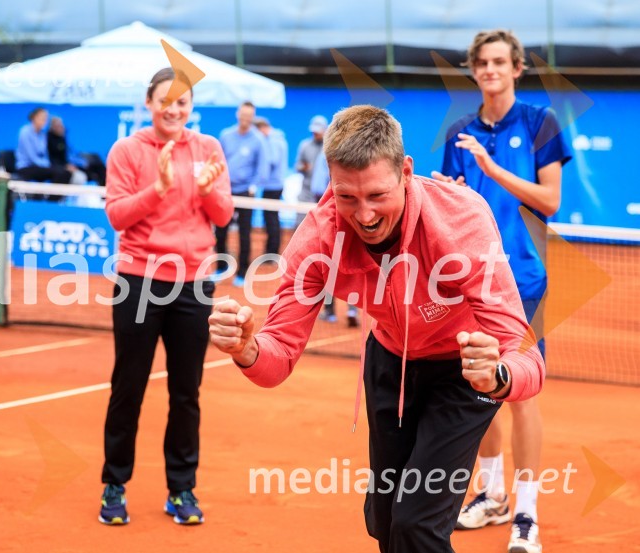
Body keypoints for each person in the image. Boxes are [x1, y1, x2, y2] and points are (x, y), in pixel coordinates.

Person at [209, 105, 545, 552]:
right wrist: (248, 347)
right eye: (346, 196)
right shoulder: (318, 239)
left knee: (416, 523)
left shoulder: (459, 220)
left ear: (406, 171)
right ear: (330, 181)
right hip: (391, 360)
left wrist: (497, 374)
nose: (364, 216)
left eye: (377, 195)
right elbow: (276, 360)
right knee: (384, 521)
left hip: (466, 370)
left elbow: (526, 356)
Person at [433, 29, 572, 553]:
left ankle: (527, 514)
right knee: (477, 388)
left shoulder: (541, 124)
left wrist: (492, 171)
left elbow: (551, 201)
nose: (490, 70)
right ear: (473, 70)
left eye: (500, 62)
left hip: (524, 280)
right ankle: (491, 493)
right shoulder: (460, 131)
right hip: (472, 280)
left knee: (521, 393)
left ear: (516, 69)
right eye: (482, 63)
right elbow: (453, 201)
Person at [99, 67, 232, 526]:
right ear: (148, 102)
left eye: (183, 102)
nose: (174, 109)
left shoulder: (209, 149)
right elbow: (117, 215)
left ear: (190, 107)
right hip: (138, 281)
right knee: (128, 388)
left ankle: (182, 489)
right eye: (165, 101)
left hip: (194, 283)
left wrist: (208, 190)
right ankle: (114, 484)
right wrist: (157, 189)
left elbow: (223, 214)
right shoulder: (127, 150)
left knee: (186, 393)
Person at [216, 101, 268, 286]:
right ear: (238, 114)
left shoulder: (258, 139)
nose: (245, 119)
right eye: (243, 115)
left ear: (252, 117)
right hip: (225, 191)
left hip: (246, 193)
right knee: (220, 230)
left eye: (249, 116)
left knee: (244, 234)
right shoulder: (226, 135)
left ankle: (242, 272)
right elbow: (218, 160)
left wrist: (253, 186)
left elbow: (262, 167)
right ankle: (220, 268)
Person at [309, 149, 359, 327]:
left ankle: (330, 312)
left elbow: (318, 188)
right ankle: (352, 310)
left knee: (331, 269)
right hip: (353, 226)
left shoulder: (330, 158)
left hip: (334, 223)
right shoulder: (359, 158)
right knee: (351, 267)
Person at [253, 116, 287, 257]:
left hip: (273, 185)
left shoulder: (272, 141)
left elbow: (270, 161)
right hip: (273, 184)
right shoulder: (277, 139)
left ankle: (272, 252)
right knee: (271, 218)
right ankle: (270, 251)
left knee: (271, 218)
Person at [15, 107, 71, 184]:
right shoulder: (25, 132)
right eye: (42, 117)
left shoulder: (42, 134)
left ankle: (52, 195)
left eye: (46, 118)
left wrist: (51, 165)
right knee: (59, 172)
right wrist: (49, 165)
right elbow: (32, 158)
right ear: (34, 117)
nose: (45, 120)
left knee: (65, 173)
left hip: (40, 166)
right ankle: (48, 195)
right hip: (26, 167)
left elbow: (45, 154)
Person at [294, 114, 327, 226]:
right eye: (314, 131)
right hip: (306, 193)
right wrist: (304, 167)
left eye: (318, 131)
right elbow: (297, 166)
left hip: (323, 195)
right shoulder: (304, 145)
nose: (315, 134)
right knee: (300, 224)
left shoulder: (330, 148)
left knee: (322, 226)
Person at [47, 115, 87, 185]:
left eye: (61, 126)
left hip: (65, 166)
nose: (61, 128)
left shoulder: (63, 139)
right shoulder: (48, 139)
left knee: (83, 173)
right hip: (56, 168)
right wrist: (65, 167)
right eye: (58, 126)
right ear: (52, 127)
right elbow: (50, 159)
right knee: (76, 176)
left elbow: (70, 156)